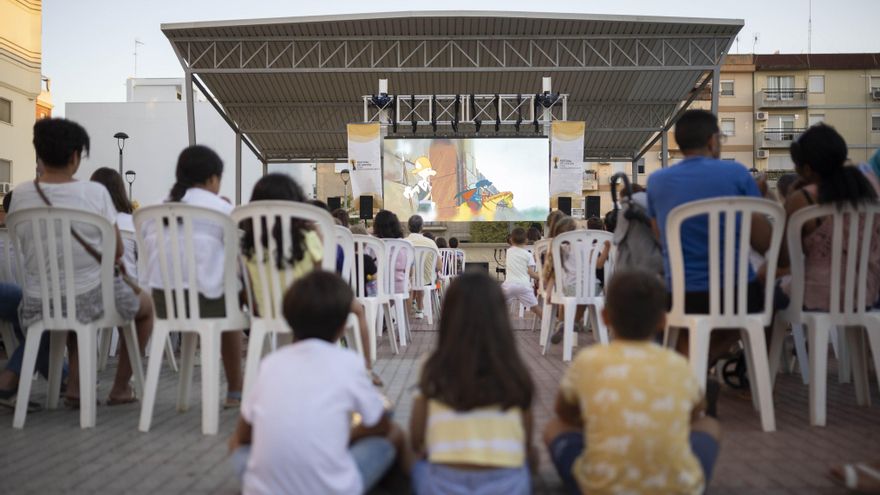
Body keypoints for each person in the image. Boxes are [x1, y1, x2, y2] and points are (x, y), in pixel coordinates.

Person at [9, 118, 153, 406]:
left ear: (39, 153)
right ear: (75, 156)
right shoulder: (95, 193)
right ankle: (121, 388)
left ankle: (76, 388)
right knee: (146, 308)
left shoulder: (20, 196)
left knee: (76, 294)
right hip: (90, 300)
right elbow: (117, 251)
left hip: (37, 302)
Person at [543, 269, 721, 495]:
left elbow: (564, 413)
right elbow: (695, 414)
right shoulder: (678, 364)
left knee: (554, 427)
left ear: (605, 316)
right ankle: (687, 479)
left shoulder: (589, 360)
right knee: (710, 426)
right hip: (678, 489)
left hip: (598, 488)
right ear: (663, 321)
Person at [229, 271, 403, 495]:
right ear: (343, 326)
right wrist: (348, 437)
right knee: (392, 436)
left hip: (264, 489)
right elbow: (380, 424)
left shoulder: (271, 364)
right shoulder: (349, 362)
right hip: (332, 488)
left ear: (289, 319)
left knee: (236, 446)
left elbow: (242, 437)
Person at [646, 109, 771, 363]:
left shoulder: (657, 181)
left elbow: (661, 239)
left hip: (682, 295)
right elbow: (763, 242)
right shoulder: (736, 174)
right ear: (713, 141)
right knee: (768, 299)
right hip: (737, 294)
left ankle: (693, 365)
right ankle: (711, 360)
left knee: (678, 323)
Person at [241, 174, 379, 383]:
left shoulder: (249, 244)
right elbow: (324, 273)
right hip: (308, 309)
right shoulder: (306, 237)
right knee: (358, 309)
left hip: (264, 311)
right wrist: (317, 232)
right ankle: (367, 369)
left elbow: (248, 283)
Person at [410, 272, 535, 494]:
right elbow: (525, 440)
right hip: (507, 482)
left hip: (442, 482)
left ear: (449, 316)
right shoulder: (513, 368)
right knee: (529, 461)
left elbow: (416, 437)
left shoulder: (432, 365)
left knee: (415, 462)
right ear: (501, 317)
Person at [144, 144, 243, 407]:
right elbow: (236, 259)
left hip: (163, 303)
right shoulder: (220, 210)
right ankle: (236, 390)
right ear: (213, 178)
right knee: (231, 302)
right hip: (207, 303)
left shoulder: (153, 208)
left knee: (223, 293)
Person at [780, 124, 880, 312]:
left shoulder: (803, 198)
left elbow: (784, 260)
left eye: (797, 166)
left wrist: (789, 202)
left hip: (819, 295)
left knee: (765, 296)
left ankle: (764, 342)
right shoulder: (869, 189)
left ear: (807, 169)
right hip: (868, 295)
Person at [543, 216, 586, 344]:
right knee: (585, 298)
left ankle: (563, 323)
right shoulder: (584, 243)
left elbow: (553, 272)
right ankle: (575, 322)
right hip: (590, 288)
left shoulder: (557, 246)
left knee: (566, 296)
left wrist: (549, 291)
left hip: (567, 288)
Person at [90, 168, 137, 278]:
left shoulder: (86, 225)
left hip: (94, 290)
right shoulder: (133, 223)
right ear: (121, 192)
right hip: (130, 288)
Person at [502, 227, 542, 319]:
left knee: (496, 305)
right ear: (526, 240)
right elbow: (531, 273)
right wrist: (542, 277)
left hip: (509, 285)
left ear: (511, 240)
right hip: (524, 285)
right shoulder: (528, 255)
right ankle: (552, 325)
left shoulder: (508, 252)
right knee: (535, 308)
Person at [406, 215, 440, 320]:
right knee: (420, 278)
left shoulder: (404, 242)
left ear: (408, 226)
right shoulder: (431, 243)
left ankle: (406, 313)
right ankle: (420, 309)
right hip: (427, 280)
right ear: (422, 227)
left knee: (412, 279)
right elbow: (439, 266)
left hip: (407, 281)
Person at [373, 210, 408, 294]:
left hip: (377, 288)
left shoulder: (372, 244)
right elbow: (408, 270)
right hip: (399, 287)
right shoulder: (404, 245)